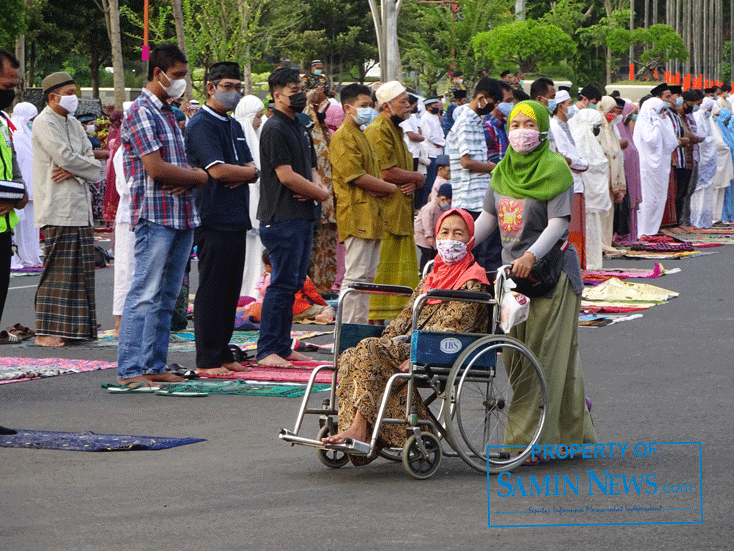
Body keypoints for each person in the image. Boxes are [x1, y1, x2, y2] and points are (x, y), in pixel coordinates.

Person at [474, 100, 597, 459]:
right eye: (515, 124)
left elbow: (560, 223)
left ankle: (523, 442)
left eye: (529, 124)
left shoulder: (556, 169)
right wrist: (457, 244)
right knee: (520, 358)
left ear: (542, 129)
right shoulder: (502, 172)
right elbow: (488, 217)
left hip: (551, 274)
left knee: (544, 357)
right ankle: (574, 432)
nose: (521, 131)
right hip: (512, 280)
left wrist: (531, 255)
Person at [321, 208, 490, 460]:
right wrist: (384, 341)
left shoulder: (472, 280)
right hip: (409, 345)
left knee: (369, 351)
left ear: (470, 240)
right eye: (444, 232)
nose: (450, 239)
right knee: (353, 354)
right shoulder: (432, 277)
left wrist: (421, 353)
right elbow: (405, 318)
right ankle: (360, 431)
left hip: (442, 349)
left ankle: (360, 430)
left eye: (458, 233)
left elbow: (454, 326)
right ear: (436, 236)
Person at [116, 43, 209, 386]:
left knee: (167, 296)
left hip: (181, 213)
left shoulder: (170, 112)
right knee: (145, 292)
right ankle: (131, 369)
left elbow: (177, 166)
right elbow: (156, 168)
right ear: (158, 73)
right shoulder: (142, 111)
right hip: (155, 214)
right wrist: (199, 177)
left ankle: (154, 365)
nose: (182, 82)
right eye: (178, 75)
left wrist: (187, 177)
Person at [185, 61, 258, 375]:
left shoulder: (234, 125)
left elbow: (253, 170)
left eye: (237, 87)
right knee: (213, 288)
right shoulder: (202, 123)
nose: (233, 93)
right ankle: (208, 358)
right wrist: (242, 172)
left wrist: (242, 173)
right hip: (212, 215)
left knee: (230, 290)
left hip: (236, 215)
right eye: (227, 87)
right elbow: (217, 170)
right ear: (210, 88)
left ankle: (224, 352)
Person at [256, 67, 330, 367]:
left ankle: (283, 345)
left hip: (303, 215)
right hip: (281, 217)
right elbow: (286, 176)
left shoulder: (300, 125)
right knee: (282, 283)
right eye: (291, 88)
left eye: (300, 87)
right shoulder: (274, 128)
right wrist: (319, 193)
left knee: (295, 282)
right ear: (276, 95)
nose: (298, 93)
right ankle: (267, 350)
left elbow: (311, 169)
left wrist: (315, 188)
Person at [32, 71, 100, 347]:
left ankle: (74, 329)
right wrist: (82, 167)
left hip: (80, 207)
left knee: (80, 272)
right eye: (70, 93)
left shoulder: (72, 123)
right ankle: (44, 331)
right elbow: (63, 157)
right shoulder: (44, 122)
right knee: (57, 272)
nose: (75, 98)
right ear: (53, 96)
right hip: (57, 205)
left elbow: (89, 158)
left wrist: (76, 171)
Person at [329, 83, 397, 324]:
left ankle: (358, 333)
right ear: (348, 108)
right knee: (356, 276)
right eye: (363, 106)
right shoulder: (343, 137)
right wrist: (391, 188)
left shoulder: (361, 133)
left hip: (372, 214)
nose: (369, 110)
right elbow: (356, 176)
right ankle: (347, 331)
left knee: (367, 277)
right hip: (357, 214)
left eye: (371, 105)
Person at [364, 81, 423, 322]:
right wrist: (417, 177)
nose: (408, 106)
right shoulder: (378, 130)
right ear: (386, 105)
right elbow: (387, 173)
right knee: (382, 276)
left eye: (408, 101)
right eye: (403, 102)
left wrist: (412, 181)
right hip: (386, 216)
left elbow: (400, 170)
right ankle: (373, 329)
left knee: (399, 279)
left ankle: (388, 330)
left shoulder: (395, 129)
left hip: (400, 212)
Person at [446, 77, 513, 271]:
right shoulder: (466, 121)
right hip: (470, 199)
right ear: (482, 98)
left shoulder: (475, 121)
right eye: (495, 102)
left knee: (486, 252)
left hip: (478, 196)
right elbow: (466, 162)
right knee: (480, 255)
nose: (496, 107)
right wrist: (496, 168)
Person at [0, 49, 29, 330]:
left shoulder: (3, 124)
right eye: (7, 86)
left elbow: (19, 181)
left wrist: (18, 197)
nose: (11, 93)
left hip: (3, 231)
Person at [303, 72, 338, 294]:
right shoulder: (305, 125)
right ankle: (309, 294)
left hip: (328, 200)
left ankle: (322, 293)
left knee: (325, 249)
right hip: (313, 199)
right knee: (311, 251)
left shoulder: (321, 124)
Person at [243, 249, 335, 324]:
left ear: (268, 267)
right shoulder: (299, 275)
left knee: (257, 307)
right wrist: (323, 305)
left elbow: (264, 293)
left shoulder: (268, 279)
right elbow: (313, 295)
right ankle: (324, 315)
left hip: (277, 313)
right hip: (299, 308)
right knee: (328, 308)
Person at [550, 90, 589, 267]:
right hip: (568, 181)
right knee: (571, 230)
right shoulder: (555, 127)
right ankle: (571, 268)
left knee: (578, 229)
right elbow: (562, 157)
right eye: (569, 103)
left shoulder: (565, 125)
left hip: (577, 180)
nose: (572, 107)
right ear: (560, 106)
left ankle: (578, 266)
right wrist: (580, 164)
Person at [234, 95, 266, 299]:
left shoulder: (260, 139)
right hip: (244, 210)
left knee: (257, 252)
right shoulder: (237, 140)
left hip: (260, 210)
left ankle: (255, 291)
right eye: (258, 116)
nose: (260, 121)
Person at [570, 108, 611, 269]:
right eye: (597, 126)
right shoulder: (580, 138)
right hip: (584, 192)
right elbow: (585, 164)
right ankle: (587, 263)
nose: (598, 130)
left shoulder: (591, 140)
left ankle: (593, 263)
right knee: (585, 228)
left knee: (593, 228)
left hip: (593, 194)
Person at [634, 97, 679, 237]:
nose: (663, 113)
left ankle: (652, 230)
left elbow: (672, 142)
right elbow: (650, 141)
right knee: (647, 200)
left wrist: (662, 122)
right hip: (646, 167)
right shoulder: (643, 122)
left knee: (659, 199)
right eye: (660, 110)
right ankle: (642, 231)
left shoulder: (660, 122)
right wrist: (659, 123)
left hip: (660, 167)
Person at [8, 102, 41, 268]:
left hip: (35, 188)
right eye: (32, 119)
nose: (33, 122)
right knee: (21, 226)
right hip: (21, 190)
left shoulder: (31, 136)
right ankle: (21, 255)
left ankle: (32, 256)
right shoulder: (16, 136)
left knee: (32, 227)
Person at [595, 96, 627, 248]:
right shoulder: (598, 128)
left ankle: (606, 242)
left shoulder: (611, 128)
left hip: (612, 178)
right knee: (602, 213)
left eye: (615, 111)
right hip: (602, 178)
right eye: (611, 111)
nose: (613, 114)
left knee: (609, 213)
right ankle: (599, 243)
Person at [615, 100, 642, 239]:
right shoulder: (617, 131)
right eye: (629, 115)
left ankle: (631, 236)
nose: (631, 119)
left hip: (632, 176)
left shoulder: (627, 132)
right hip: (622, 176)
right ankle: (620, 237)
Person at [690, 95, 717, 228]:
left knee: (705, 193)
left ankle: (704, 221)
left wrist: (710, 140)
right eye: (709, 109)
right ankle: (696, 220)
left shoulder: (707, 120)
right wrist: (711, 140)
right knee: (697, 193)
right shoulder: (698, 117)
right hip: (700, 160)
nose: (709, 112)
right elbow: (700, 138)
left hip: (708, 162)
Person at [415, 182, 452, 273]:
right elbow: (427, 223)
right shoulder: (430, 207)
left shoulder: (442, 208)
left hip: (432, 235)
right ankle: (422, 271)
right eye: (449, 202)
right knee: (427, 252)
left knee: (435, 253)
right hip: (422, 234)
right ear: (442, 199)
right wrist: (429, 236)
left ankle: (432, 270)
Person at [418, 97, 444, 207]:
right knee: (429, 181)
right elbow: (429, 136)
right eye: (435, 107)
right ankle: (424, 204)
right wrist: (443, 143)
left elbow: (440, 133)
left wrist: (443, 142)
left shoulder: (434, 118)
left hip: (438, 152)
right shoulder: (425, 118)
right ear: (429, 107)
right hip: (430, 152)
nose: (437, 109)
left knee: (435, 180)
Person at [711, 106, 734, 223]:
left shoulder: (725, 129)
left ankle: (719, 217)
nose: (728, 121)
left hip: (727, 165)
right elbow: (723, 146)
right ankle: (714, 217)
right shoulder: (716, 128)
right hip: (719, 165)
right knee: (716, 191)